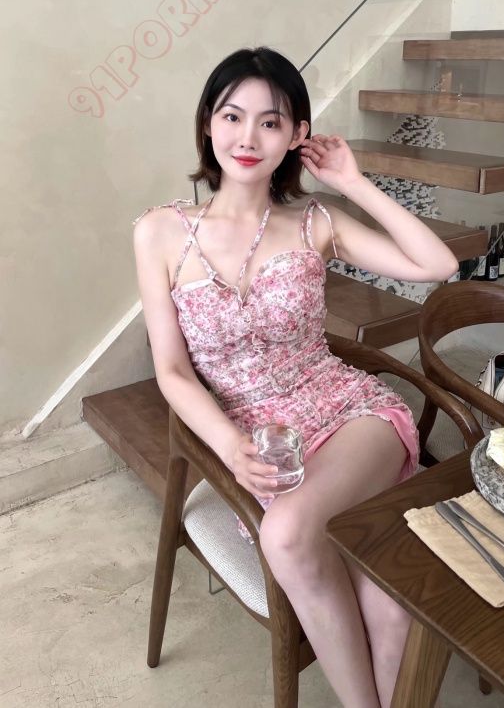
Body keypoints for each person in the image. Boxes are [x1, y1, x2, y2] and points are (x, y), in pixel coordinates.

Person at [132, 46, 458, 708]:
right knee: (389, 609)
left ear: (297, 135)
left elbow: (438, 265)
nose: (248, 138)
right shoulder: (159, 233)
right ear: (208, 123)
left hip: (351, 415)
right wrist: (230, 446)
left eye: (271, 122)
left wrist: (353, 183)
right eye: (232, 116)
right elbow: (171, 370)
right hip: (261, 440)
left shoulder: (317, 222)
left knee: (286, 534)